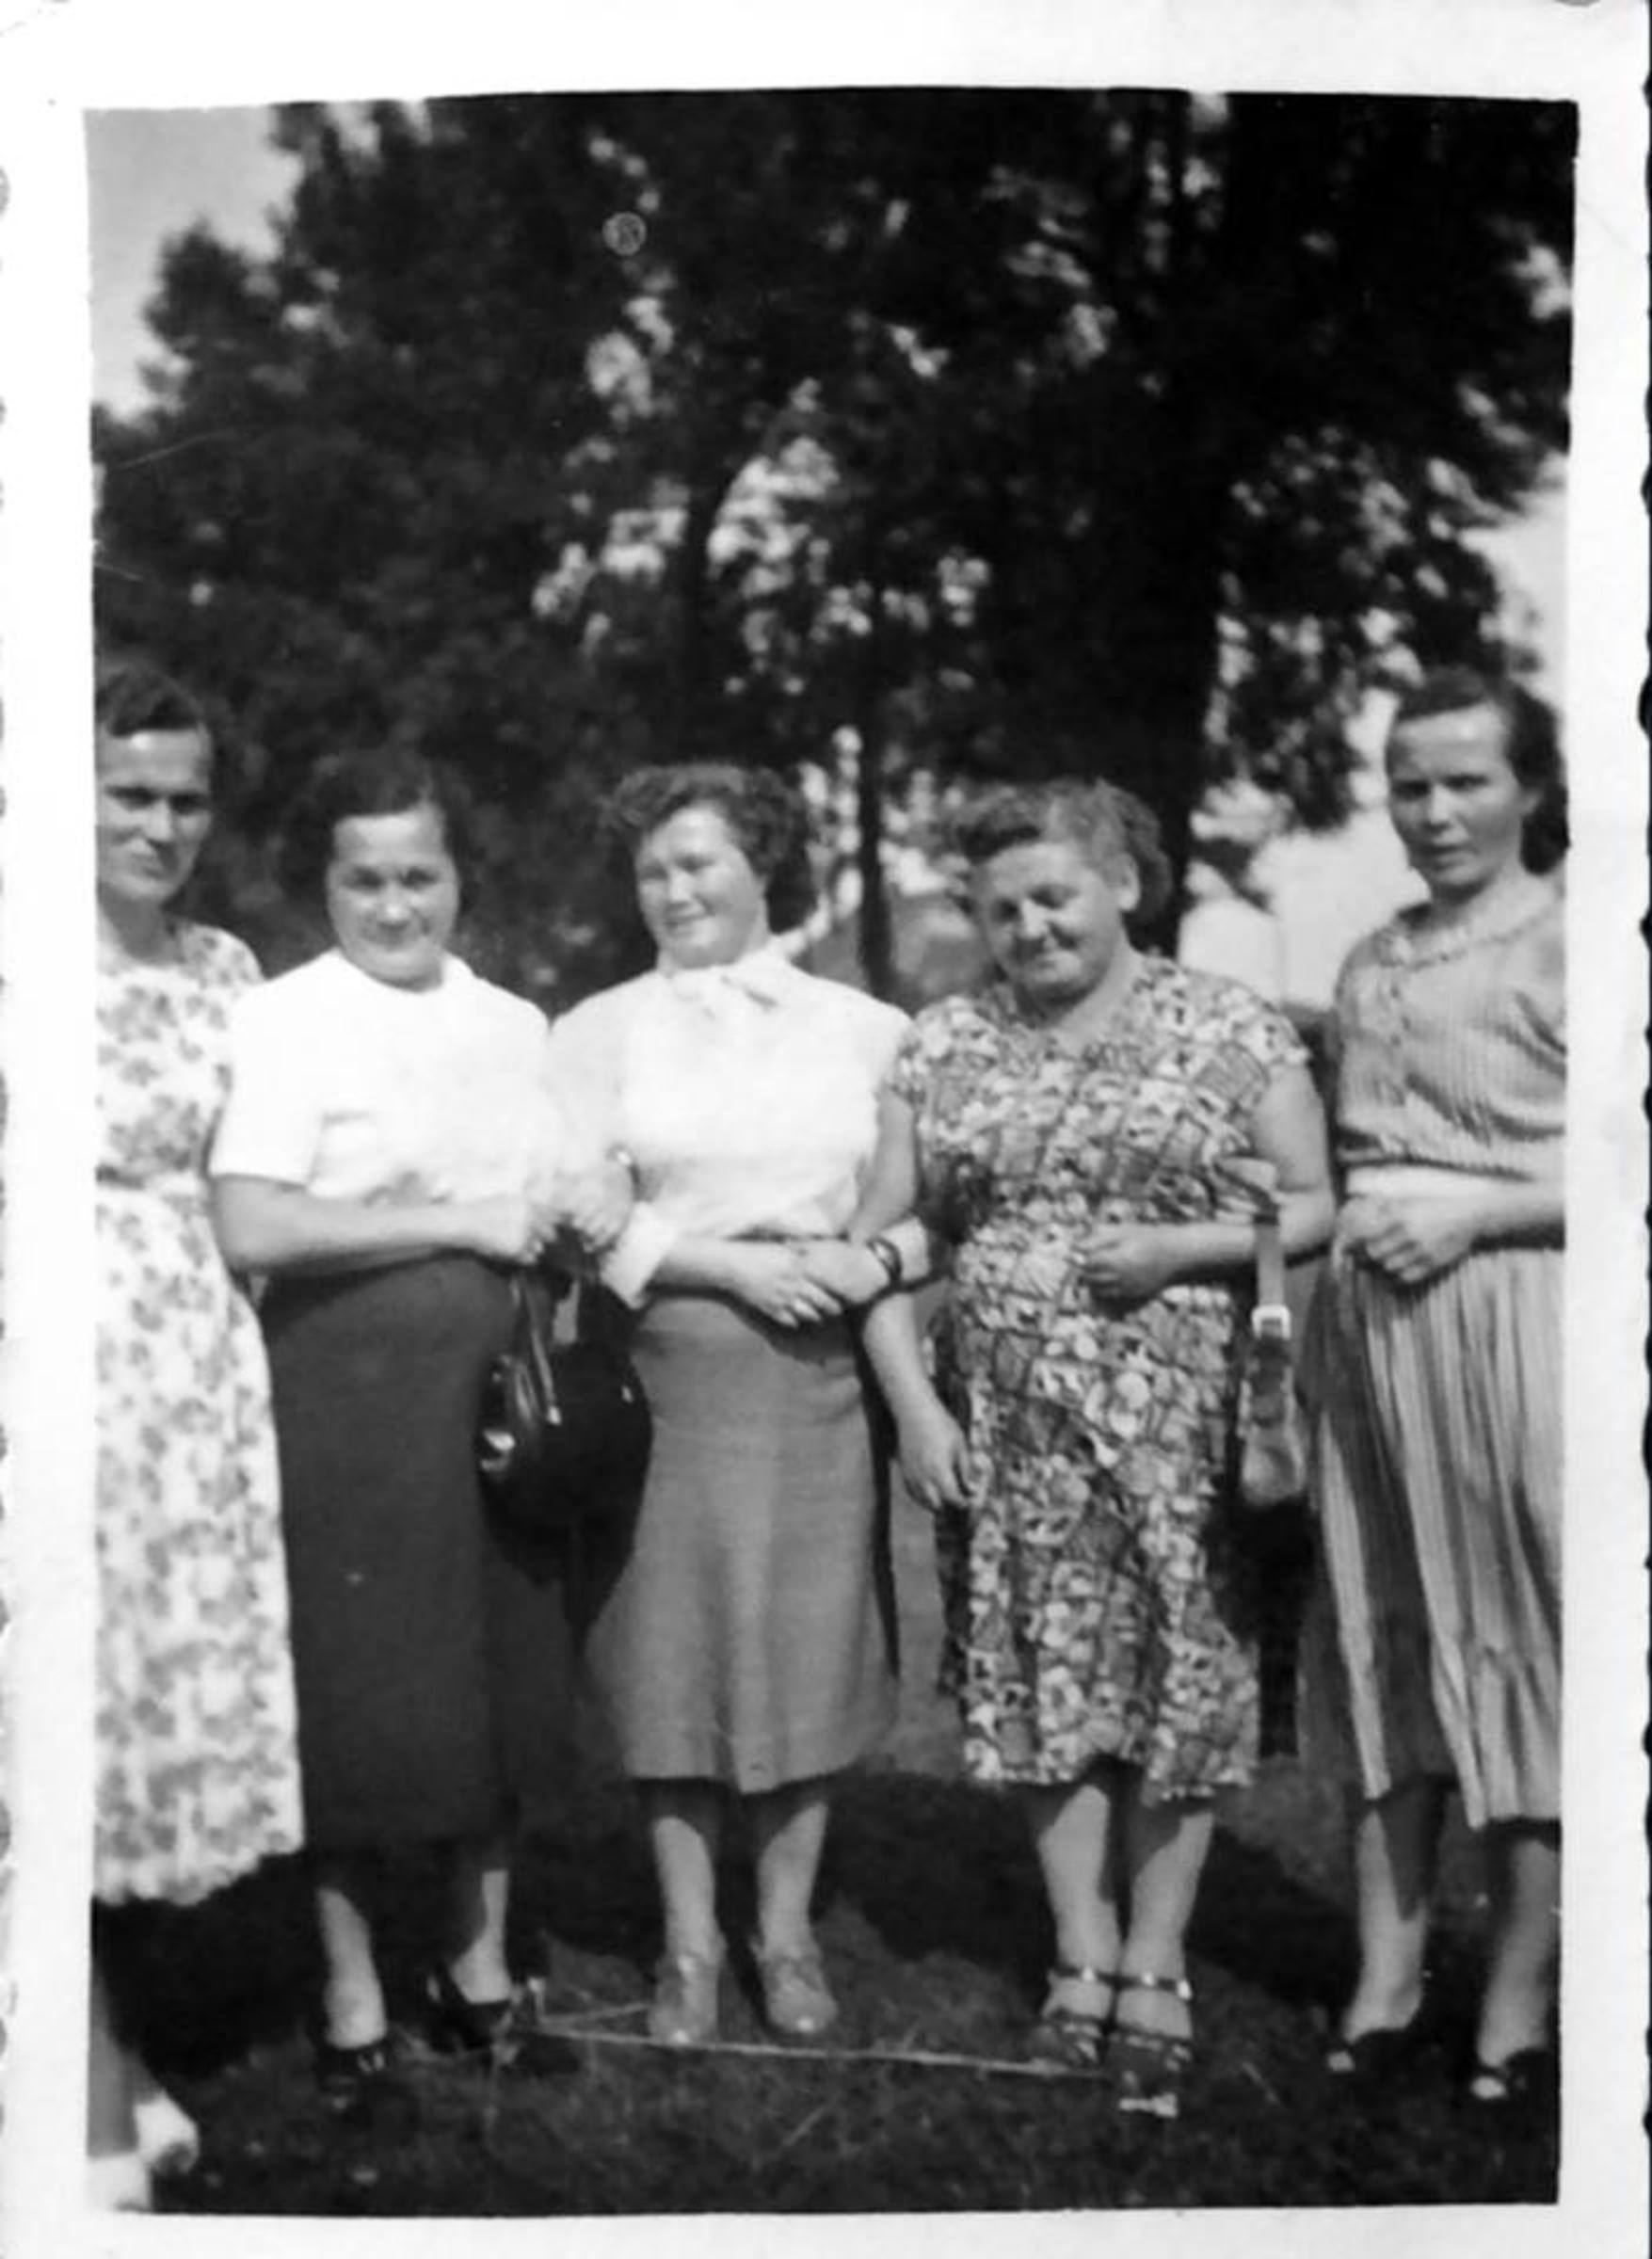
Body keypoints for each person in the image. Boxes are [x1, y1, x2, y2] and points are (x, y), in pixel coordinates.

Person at [854, 777, 1333, 2121]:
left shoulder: (1228, 1026)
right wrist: (917, 1410)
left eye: (1054, 897)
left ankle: (1158, 1963)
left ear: (1124, 885)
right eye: (1001, 909)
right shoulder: (943, 1044)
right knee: (1043, 1683)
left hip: (1185, 1429)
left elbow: (1314, 1206)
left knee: (1183, 1682)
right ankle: (1080, 1953)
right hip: (1012, 1437)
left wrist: (1180, 1248)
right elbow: (882, 1243)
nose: (1030, 928)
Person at [210, 747, 626, 2108]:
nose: (395, 907)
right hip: (348, 1385)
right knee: (361, 1687)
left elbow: (546, 1191)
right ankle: (351, 1995)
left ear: (460, 881)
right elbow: (254, 1221)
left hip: (499, 1385)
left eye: (420, 877)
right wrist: (459, 1220)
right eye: (365, 881)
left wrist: (579, 1207)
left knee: (499, 1675)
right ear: (325, 887)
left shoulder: (511, 1023)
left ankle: (478, 1972)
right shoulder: (284, 1018)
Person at [546, 762, 914, 2047]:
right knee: (668, 1655)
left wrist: (866, 1262)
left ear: (766, 868)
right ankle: (689, 1945)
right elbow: (576, 1217)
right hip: (664, 1362)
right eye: (652, 870)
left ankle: (788, 1935)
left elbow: (926, 1207)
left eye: (699, 862)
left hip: (818, 1375)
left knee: (804, 1647)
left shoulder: (868, 1029)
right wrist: (726, 1267)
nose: (673, 890)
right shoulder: (596, 1031)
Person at [1302, 667, 1565, 2107]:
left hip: (1515, 1322)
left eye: (1467, 780)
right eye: (1411, 785)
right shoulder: (1371, 957)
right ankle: (1388, 1979)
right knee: (1380, 1640)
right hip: (1368, 1338)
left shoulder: (1584, 937)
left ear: (1531, 787)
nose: (1436, 810)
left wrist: (1479, 1219)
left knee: (1526, 1636)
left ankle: (1516, 2002)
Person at [90, 660, 304, 2209]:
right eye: (129, 794)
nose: (161, 826)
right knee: (58, 1718)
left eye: (185, 799)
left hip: (195, 1373)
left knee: (145, 1720)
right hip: (57, 1357)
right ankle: (89, 2081)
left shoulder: (230, 969)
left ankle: (109, 2038)